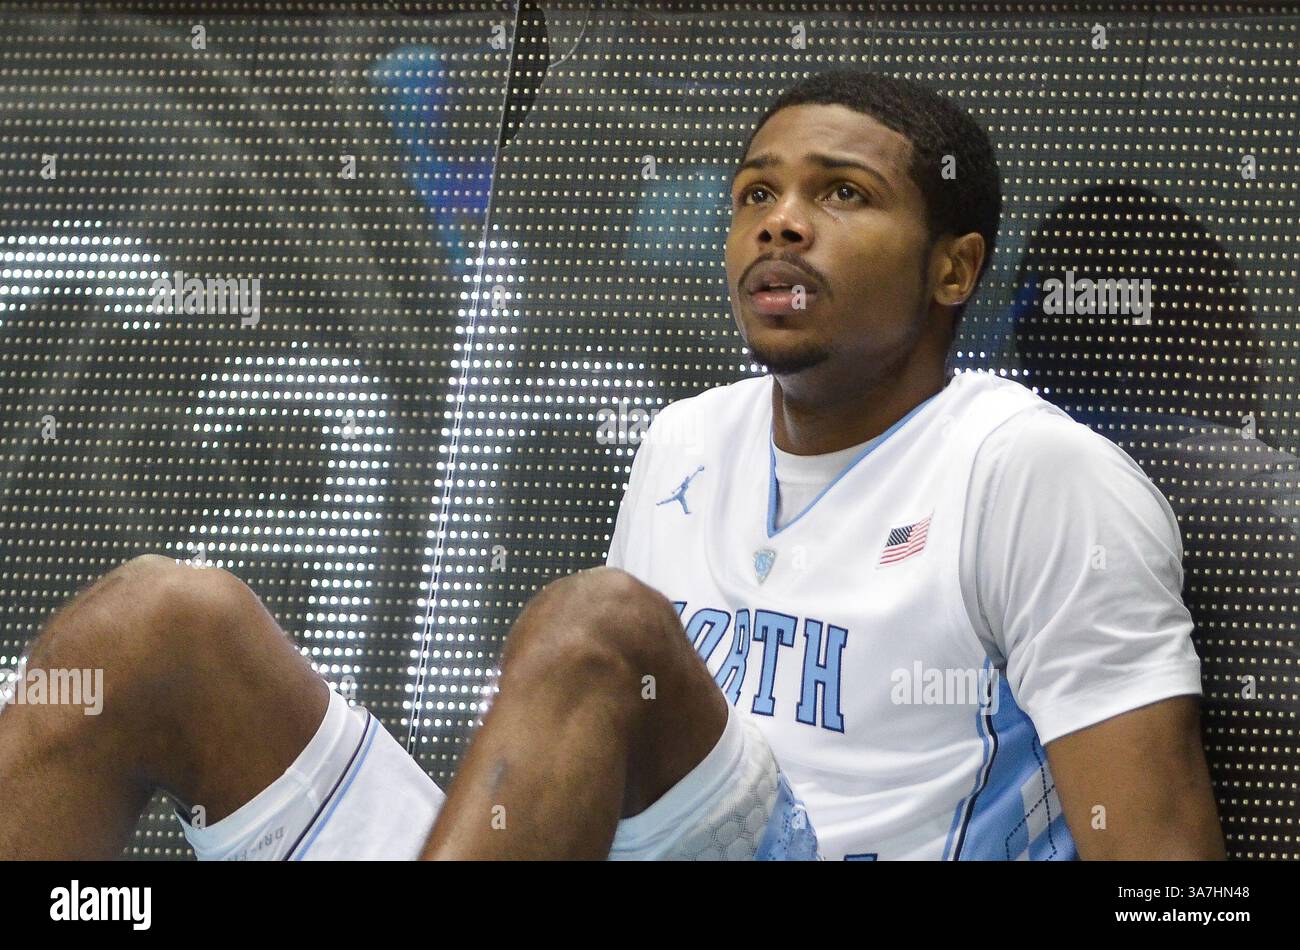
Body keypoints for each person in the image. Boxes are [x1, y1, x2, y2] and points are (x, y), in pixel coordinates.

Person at [0, 68, 1224, 860]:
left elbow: (1159, 857)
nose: (778, 222)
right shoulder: (685, 439)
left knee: (596, 627)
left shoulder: (1039, 474)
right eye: (756, 193)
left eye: (840, 193)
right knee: (158, 621)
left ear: (953, 269)